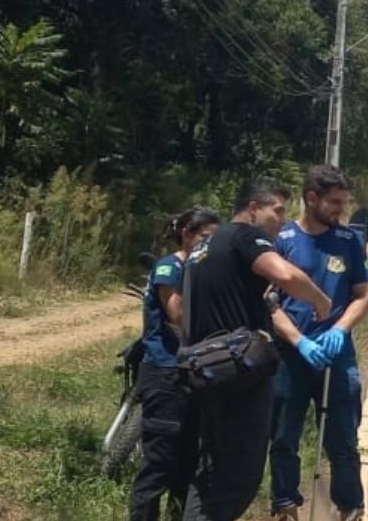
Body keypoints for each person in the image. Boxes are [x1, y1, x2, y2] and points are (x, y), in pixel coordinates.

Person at [179, 178, 332, 521]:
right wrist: (320, 300)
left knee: (209, 471)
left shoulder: (204, 248)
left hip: (205, 371)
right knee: (241, 476)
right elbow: (286, 276)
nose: (282, 218)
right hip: (239, 372)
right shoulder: (245, 236)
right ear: (253, 208)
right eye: (277, 210)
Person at [268, 166, 368, 521]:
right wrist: (298, 342)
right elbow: (268, 305)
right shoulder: (281, 241)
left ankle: (349, 507)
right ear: (311, 199)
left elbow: (363, 295)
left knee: (343, 440)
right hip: (290, 354)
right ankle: (284, 504)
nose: (341, 209)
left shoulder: (349, 242)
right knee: (284, 436)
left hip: (336, 355)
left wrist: (341, 329)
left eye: (344, 202)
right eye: (334, 202)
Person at [129, 206, 221, 521]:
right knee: (159, 465)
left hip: (191, 374)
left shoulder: (199, 269)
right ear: (186, 234)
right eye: (205, 238)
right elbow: (178, 316)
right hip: (166, 374)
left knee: (188, 463)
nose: (209, 246)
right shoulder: (170, 268)